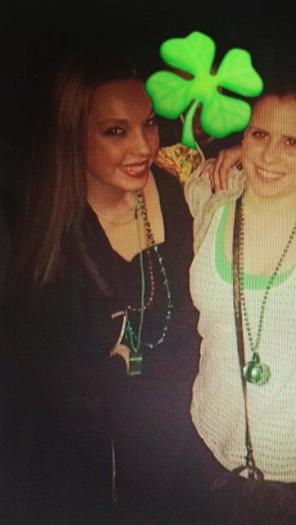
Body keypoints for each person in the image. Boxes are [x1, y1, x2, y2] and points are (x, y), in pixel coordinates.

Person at [6, 51, 200, 524]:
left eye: (149, 124)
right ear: (72, 137)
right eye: (116, 131)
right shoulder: (40, 229)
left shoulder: (185, 198)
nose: (143, 146)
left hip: (187, 463)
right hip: (86, 479)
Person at [180, 71, 296, 523]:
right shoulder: (209, 193)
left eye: (292, 142)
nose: (269, 156)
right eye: (259, 135)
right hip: (209, 445)